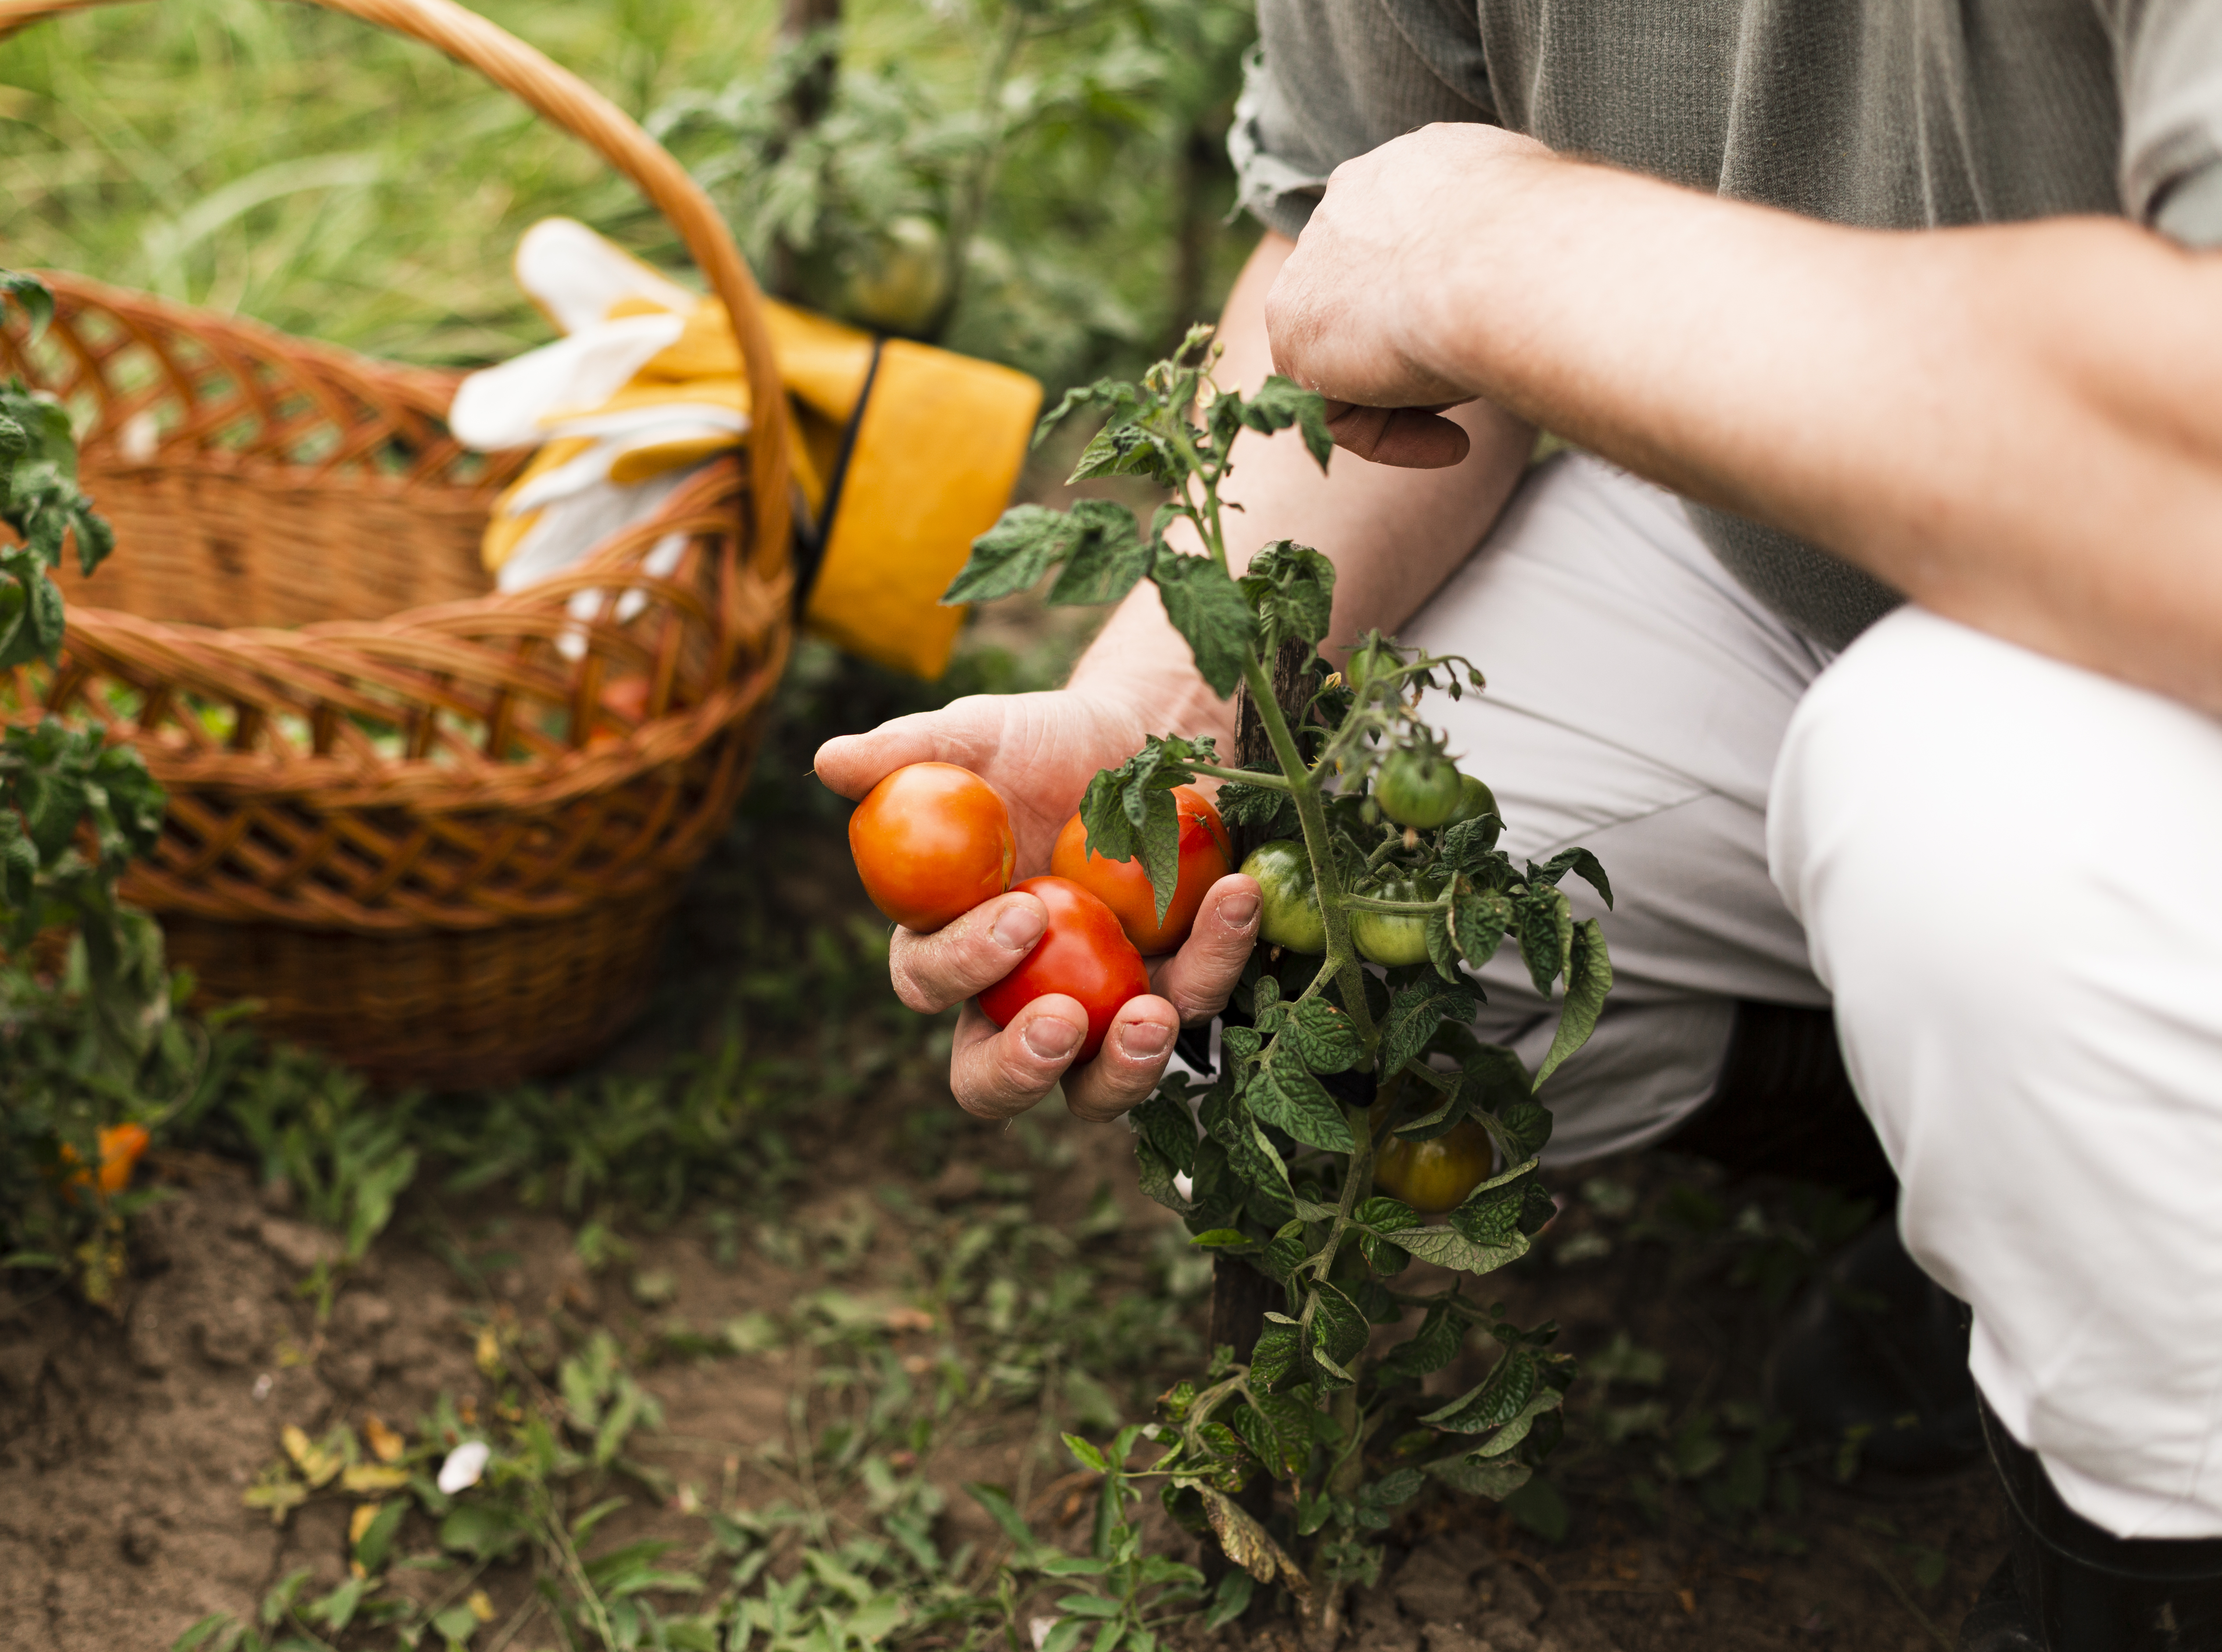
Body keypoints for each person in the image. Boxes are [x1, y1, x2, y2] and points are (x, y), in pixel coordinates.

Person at [815, 6, 2222, 1645]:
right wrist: (1155, 737)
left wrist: (1501, 249)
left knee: (1963, 810)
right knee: (1308, 917)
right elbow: (1353, 263)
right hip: (1798, 543)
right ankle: (2001, 1197)